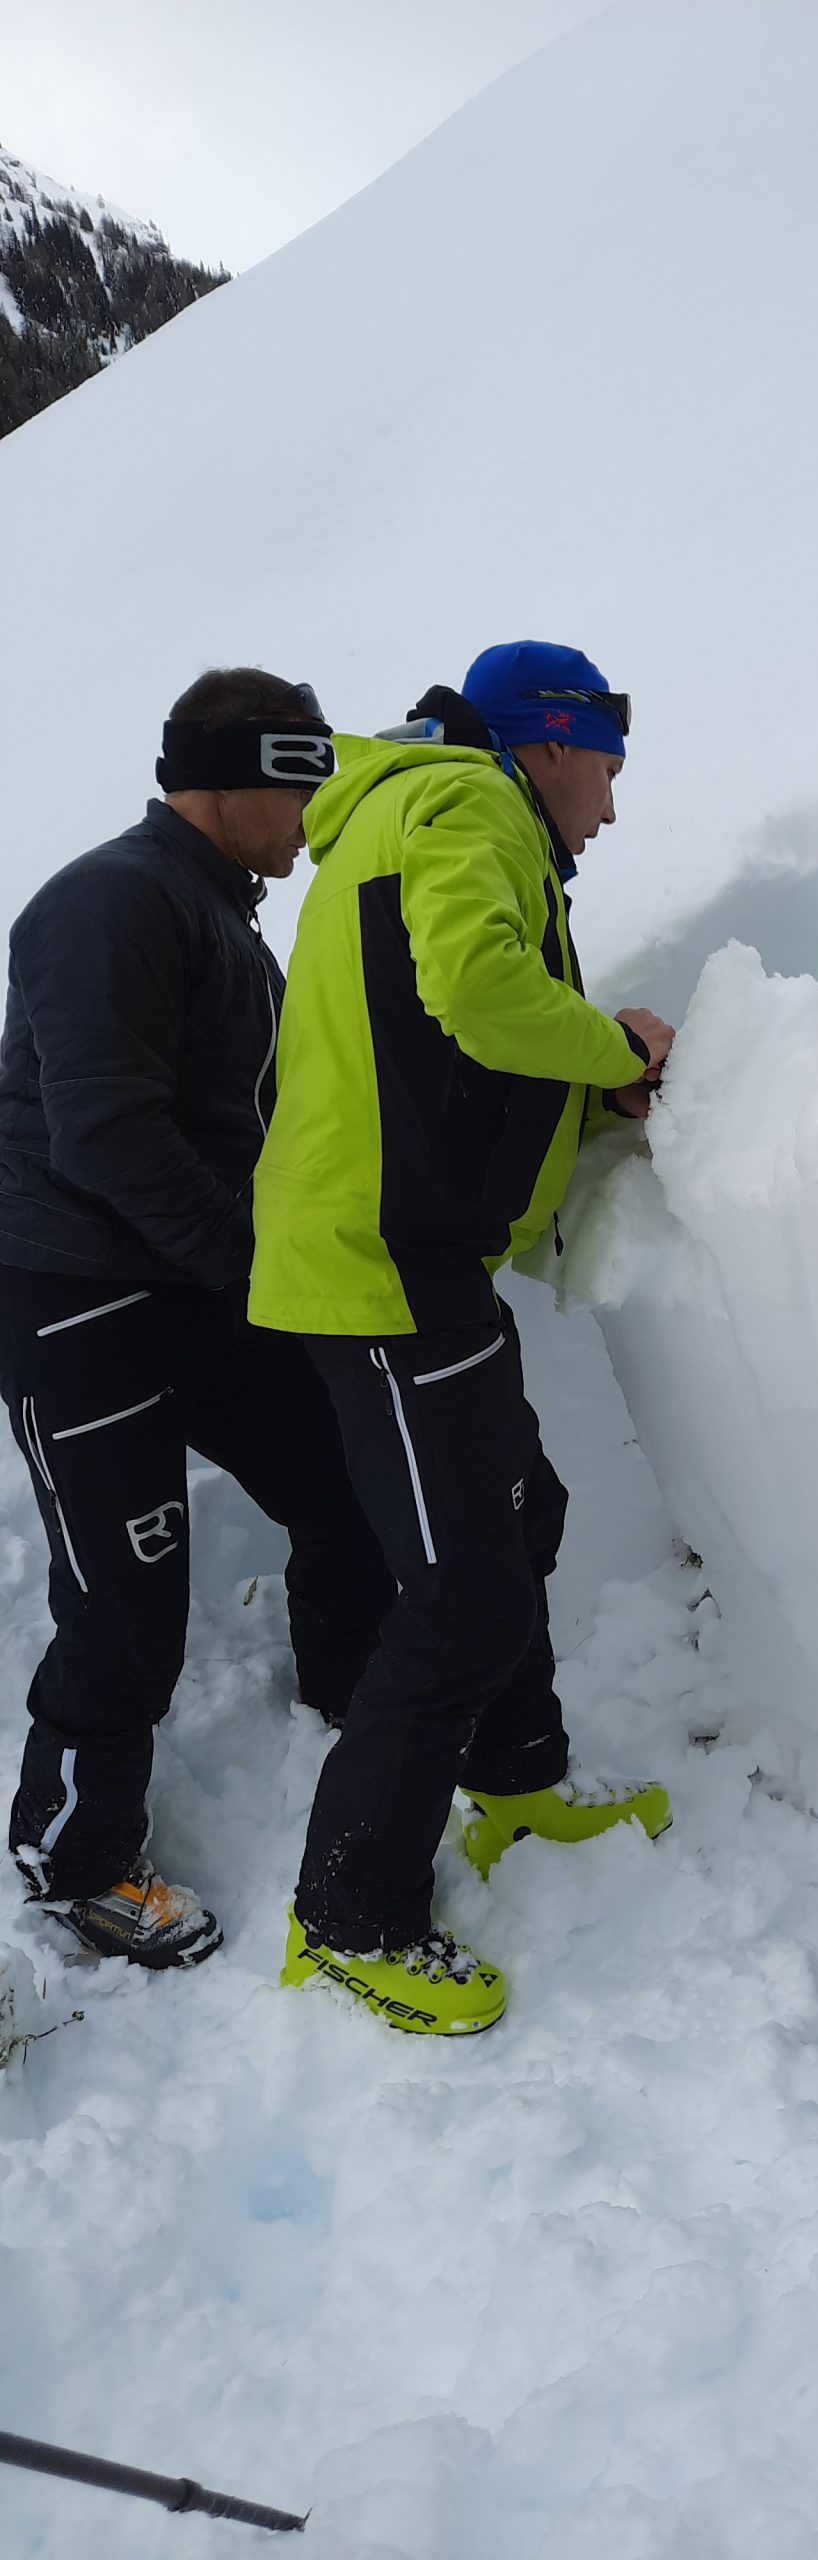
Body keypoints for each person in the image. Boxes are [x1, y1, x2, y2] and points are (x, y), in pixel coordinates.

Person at [250, 642, 676, 2036]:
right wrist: (622, 1056)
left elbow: (439, 1042)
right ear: (549, 742)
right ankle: (351, 1913)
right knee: (459, 1595)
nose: (608, 808)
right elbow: (477, 993)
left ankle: (518, 1781)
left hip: (413, 1258)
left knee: (519, 1513)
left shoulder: (418, 808)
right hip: (381, 1273)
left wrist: (585, 1095)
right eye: (606, 769)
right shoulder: (465, 807)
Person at [0, 669, 394, 1969]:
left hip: (188, 1286)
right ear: (227, 781)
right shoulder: (107, 903)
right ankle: (73, 1862)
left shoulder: (213, 911)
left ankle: (345, 1705)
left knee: (343, 1477)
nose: (314, 815)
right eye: (301, 786)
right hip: (77, 1298)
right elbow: (109, 1134)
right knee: (126, 1598)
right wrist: (258, 1265)